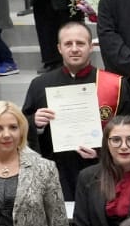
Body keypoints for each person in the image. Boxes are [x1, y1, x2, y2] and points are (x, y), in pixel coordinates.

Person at [22, 20, 110, 200]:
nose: (75, 49)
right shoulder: (40, 84)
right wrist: (34, 123)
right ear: (59, 48)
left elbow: (129, 126)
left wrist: (102, 153)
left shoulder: (113, 84)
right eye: (68, 44)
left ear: (91, 47)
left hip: (100, 168)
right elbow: (20, 124)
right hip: (56, 168)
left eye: (80, 43)